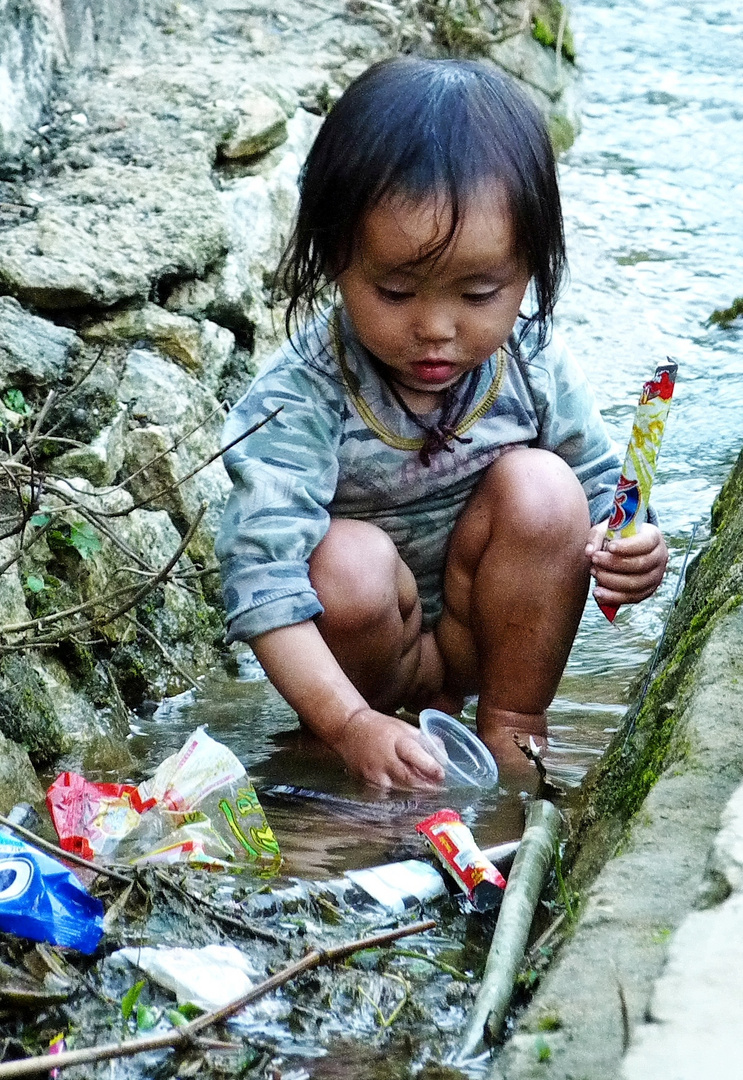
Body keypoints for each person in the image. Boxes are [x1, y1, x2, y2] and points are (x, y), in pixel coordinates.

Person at [215, 57, 669, 790]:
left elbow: (604, 494)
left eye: (479, 292)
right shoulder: (301, 395)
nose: (435, 328)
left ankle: (513, 730)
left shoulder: (531, 360)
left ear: (526, 271)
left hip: (480, 632)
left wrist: (634, 543)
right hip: (362, 655)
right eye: (394, 292)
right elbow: (259, 582)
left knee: (544, 488)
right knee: (345, 562)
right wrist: (346, 721)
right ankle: (340, 747)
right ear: (335, 259)